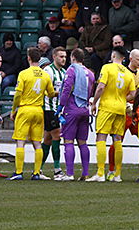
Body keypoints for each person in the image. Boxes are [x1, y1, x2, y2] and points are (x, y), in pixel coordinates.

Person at [8, 47, 57, 180]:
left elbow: (18, 94)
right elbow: (51, 94)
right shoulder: (45, 75)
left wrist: (14, 110)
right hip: (38, 110)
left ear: (28, 58)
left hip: (25, 109)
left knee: (20, 142)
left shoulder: (24, 74)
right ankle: (36, 173)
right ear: (39, 59)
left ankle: (18, 172)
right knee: (37, 143)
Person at [87, 46, 135, 182]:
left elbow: (101, 87)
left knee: (101, 138)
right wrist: (121, 99)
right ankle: (117, 175)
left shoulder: (107, 68)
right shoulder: (128, 73)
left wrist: (95, 102)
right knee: (117, 140)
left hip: (107, 107)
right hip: (120, 109)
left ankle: (101, 173)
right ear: (124, 58)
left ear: (113, 56)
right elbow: (132, 94)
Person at [106, 49, 139, 181]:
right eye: (138, 59)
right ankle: (111, 171)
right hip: (123, 109)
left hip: (135, 110)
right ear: (130, 59)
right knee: (117, 140)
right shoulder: (123, 73)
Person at [57, 48, 95, 181]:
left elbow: (67, 88)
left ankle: (69, 174)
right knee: (83, 143)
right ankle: (85, 174)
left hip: (72, 109)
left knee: (68, 141)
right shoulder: (90, 73)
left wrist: (61, 105)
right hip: (85, 109)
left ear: (73, 57)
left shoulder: (72, 70)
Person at [40, 47, 67, 180]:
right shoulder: (47, 71)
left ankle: (38, 169)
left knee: (47, 139)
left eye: (65, 57)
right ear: (54, 57)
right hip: (49, 109)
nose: (63, 59)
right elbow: (43, 90)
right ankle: (57, 170)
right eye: (61, 56)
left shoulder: (64, 72)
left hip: (59, 109)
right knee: (56, 135)